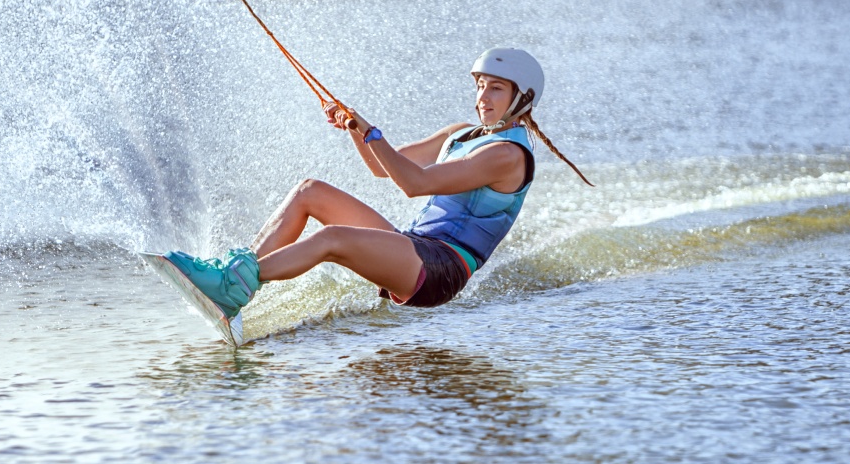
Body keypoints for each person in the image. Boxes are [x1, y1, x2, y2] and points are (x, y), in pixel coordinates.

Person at [164, 47, 590, 319]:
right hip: (412, 246)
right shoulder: (461, 132)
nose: (483, 97)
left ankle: (234, 286)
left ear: (523, 99)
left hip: (439, 269)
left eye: (496, 89)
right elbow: (385, 167)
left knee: (332, 238)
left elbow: (415, 184)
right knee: (311, 191)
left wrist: (372, 132)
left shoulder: (506, 155)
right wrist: (354, 126)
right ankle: (233, 279)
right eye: (480, 86)